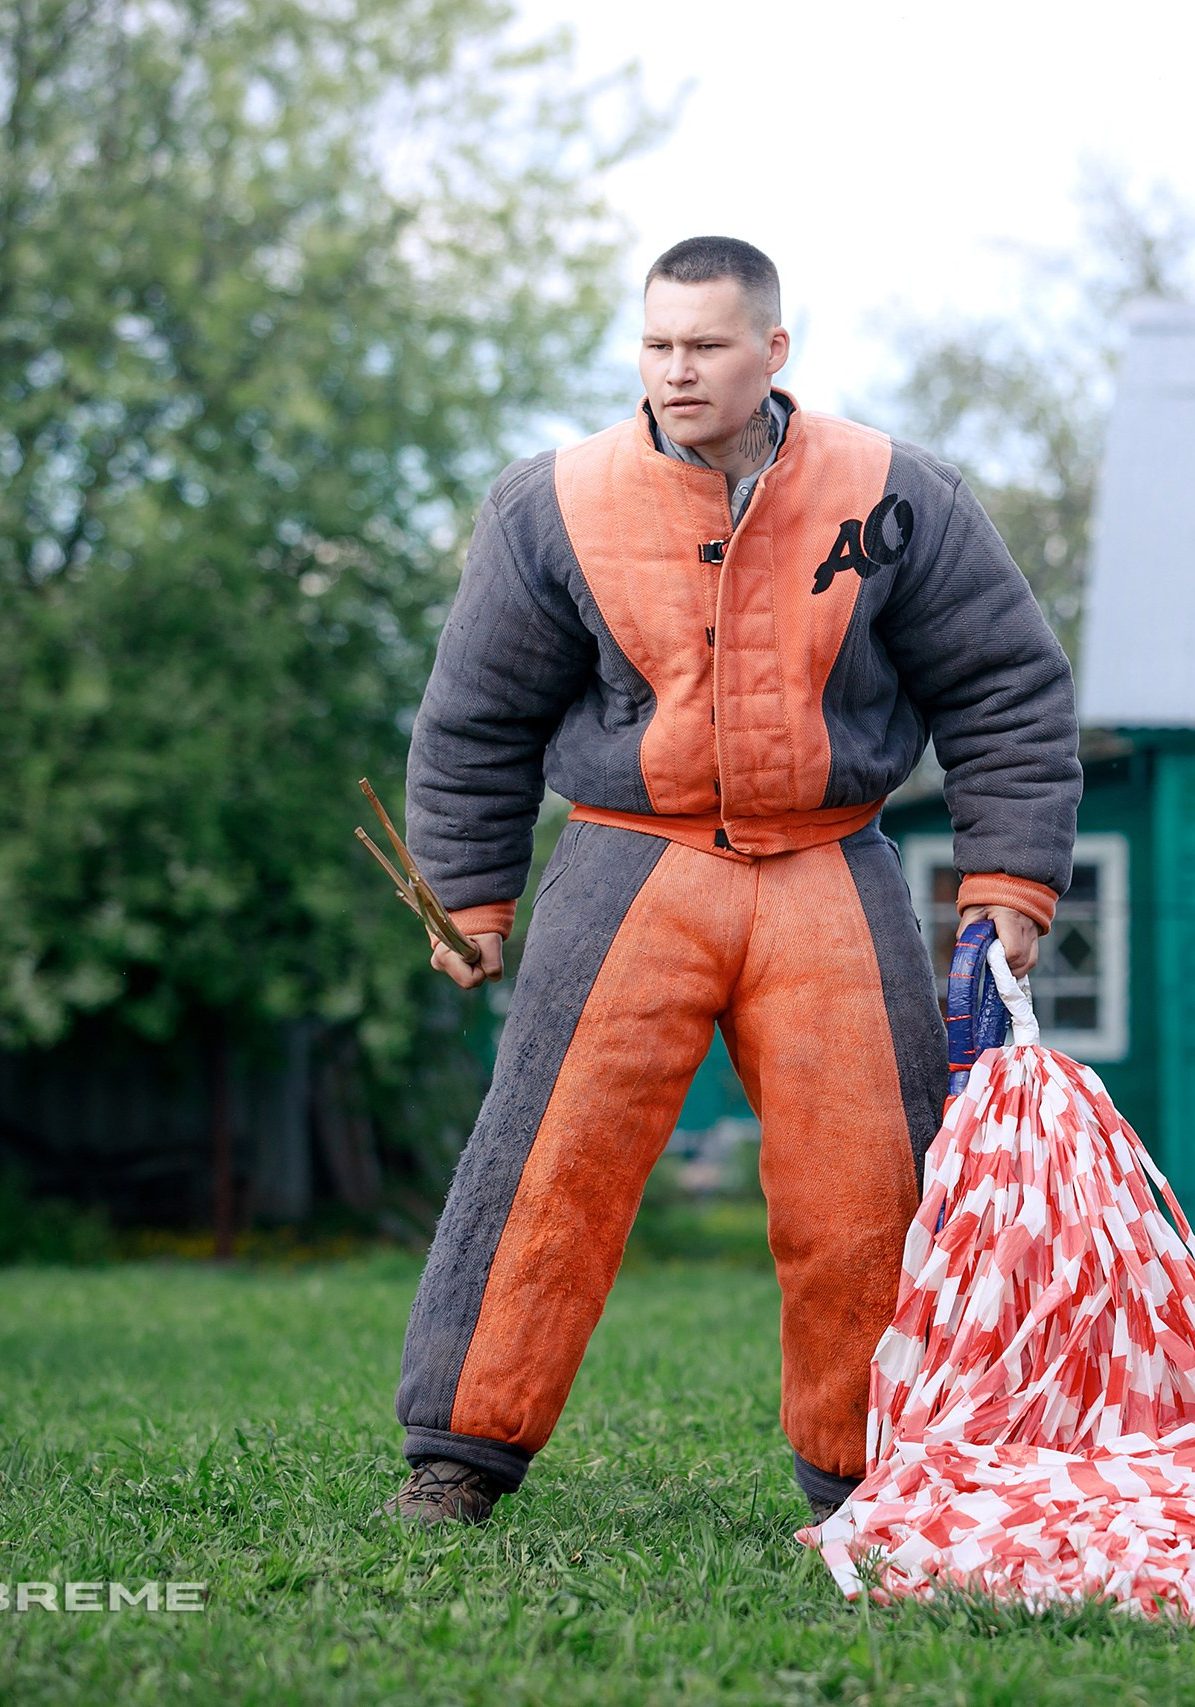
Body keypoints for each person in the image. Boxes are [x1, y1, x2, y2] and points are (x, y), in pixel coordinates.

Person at [386, 235, 1079, 1528]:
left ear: (773, 351)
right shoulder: (551, 504)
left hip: (832, 864)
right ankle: (456, 1461)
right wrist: (469, 897)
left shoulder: (898, 495)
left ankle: (868, 1482)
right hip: (623, 863)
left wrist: (1010, 883)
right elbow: (476, 716)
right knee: (548, 1167)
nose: (676, 370)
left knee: (871, 1185)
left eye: (705, 346)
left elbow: (1006, 691)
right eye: (656, 345)